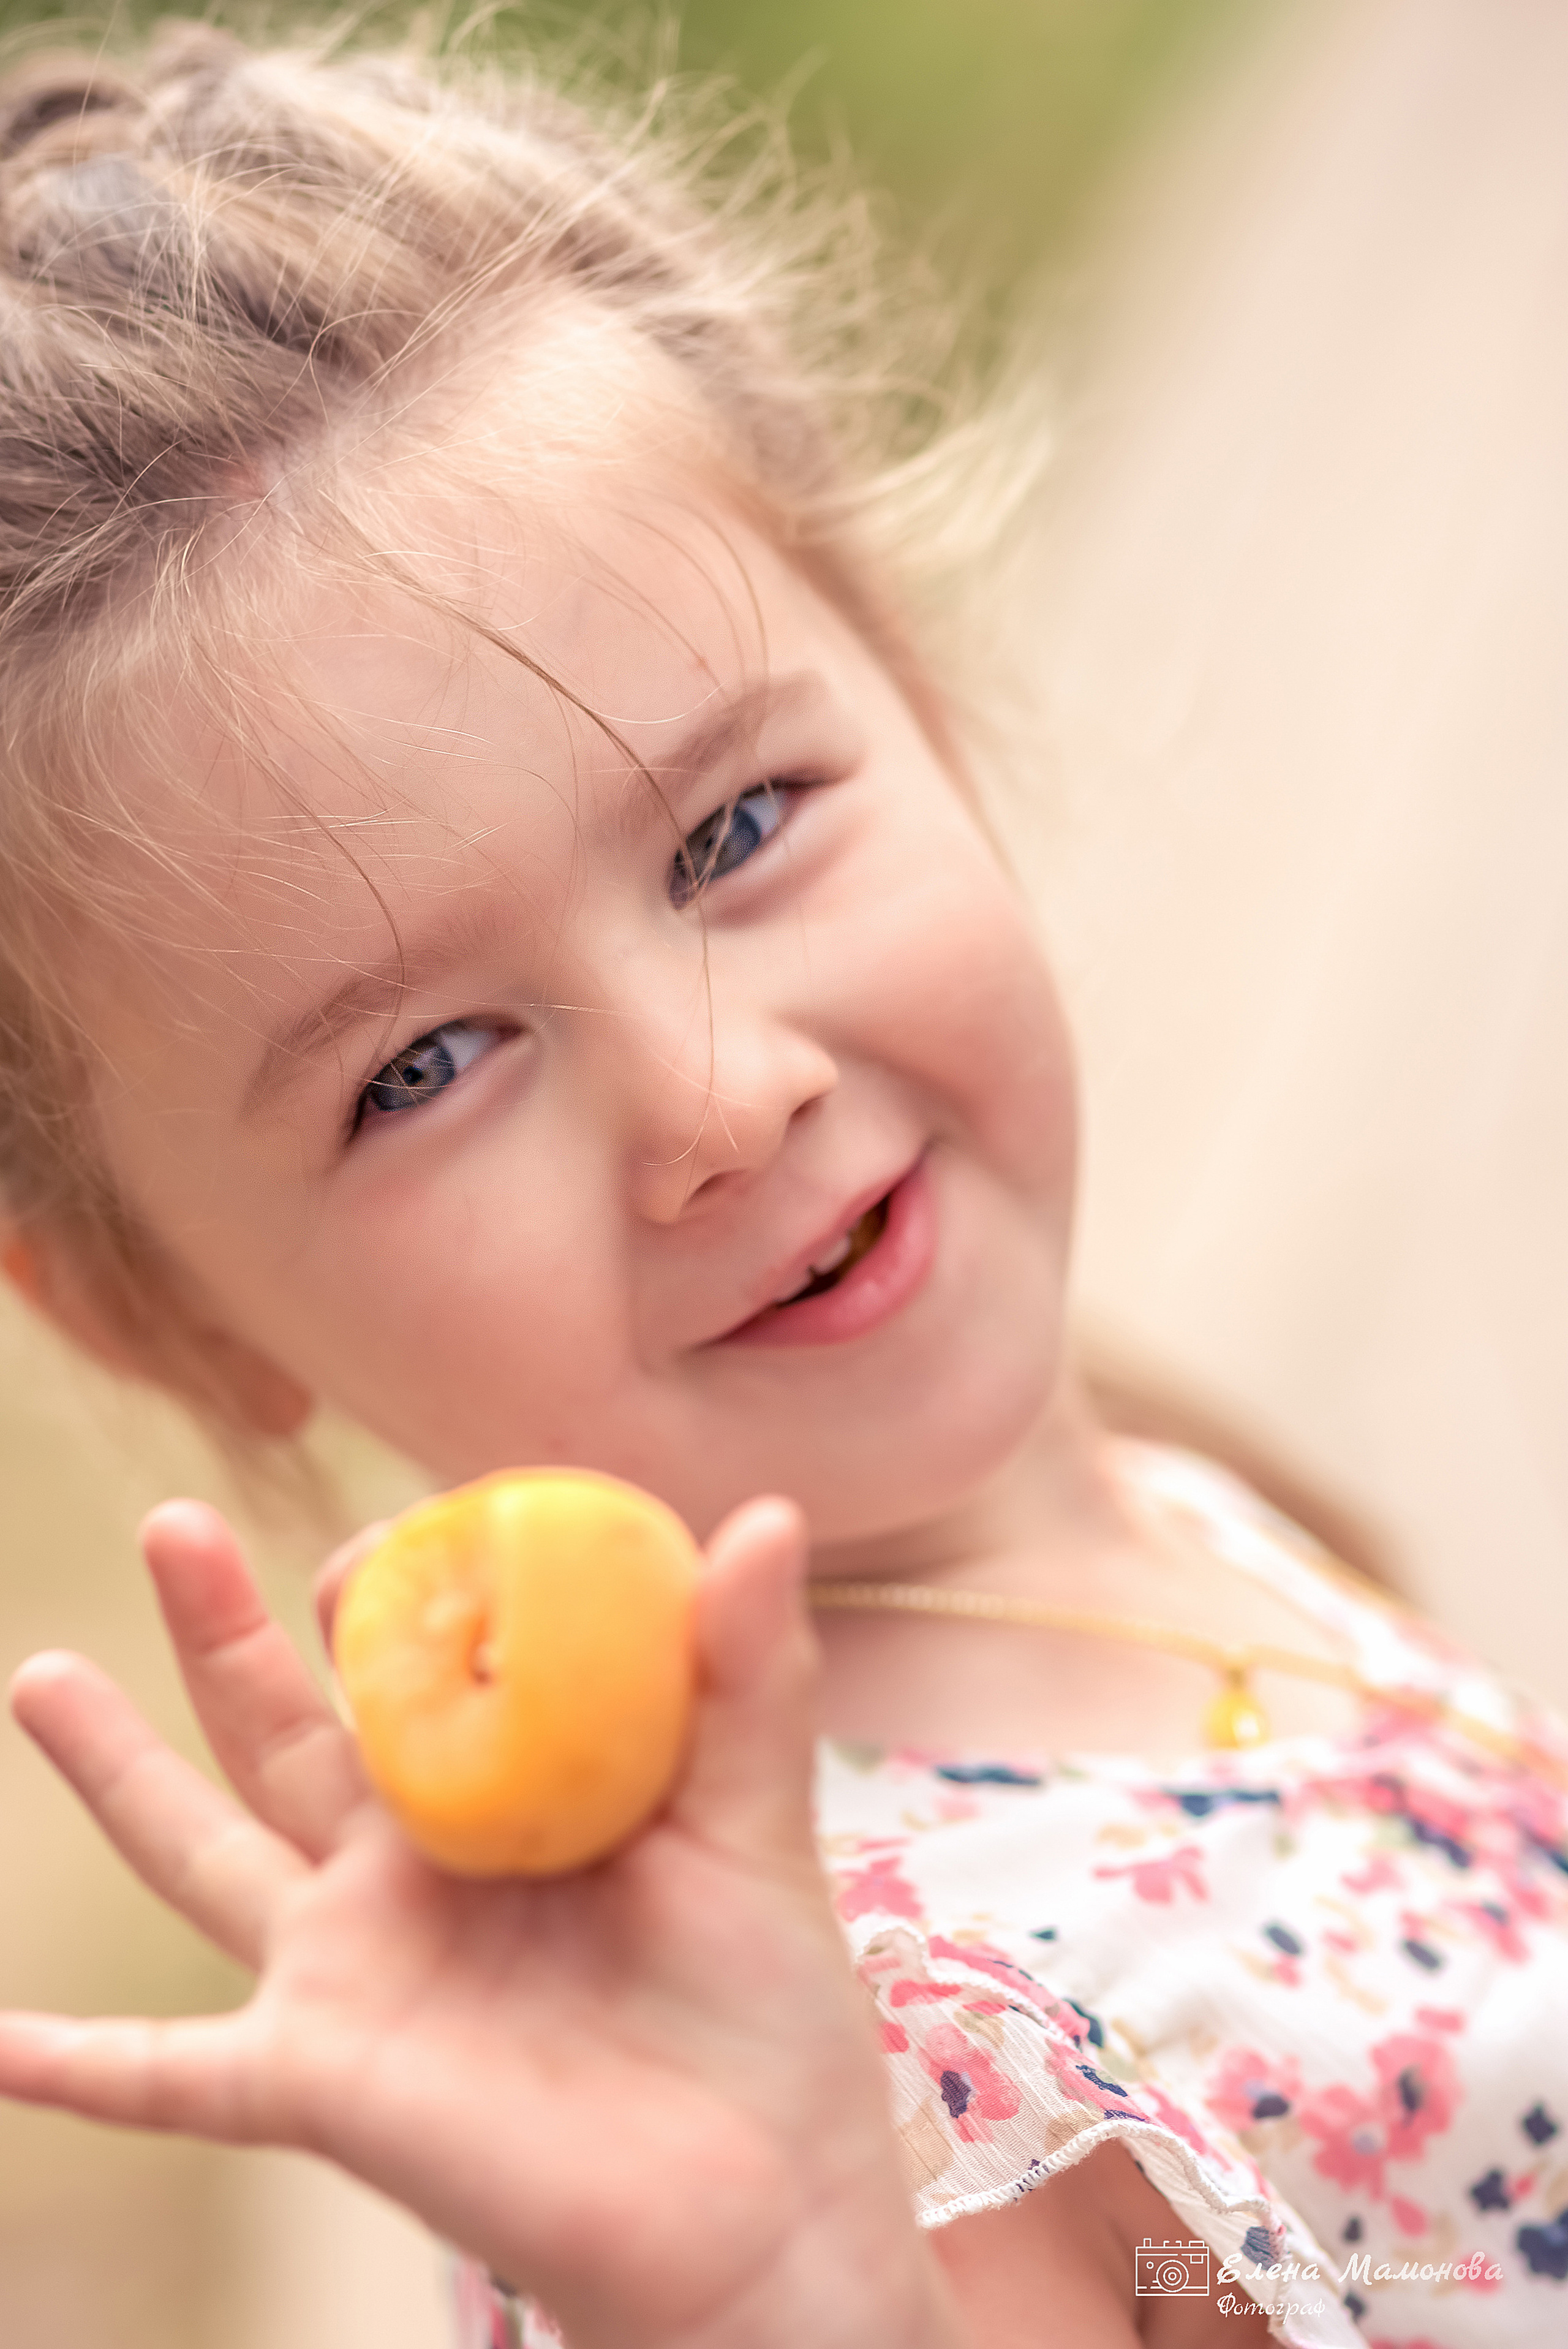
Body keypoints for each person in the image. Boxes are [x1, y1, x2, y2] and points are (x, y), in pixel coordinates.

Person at [0, 20, 1563, 2348]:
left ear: (918, 691)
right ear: (171, 1318)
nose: (718, 1097)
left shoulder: (1130, 1513)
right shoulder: (833, 2056)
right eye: (422, 1067)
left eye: (734, 828)